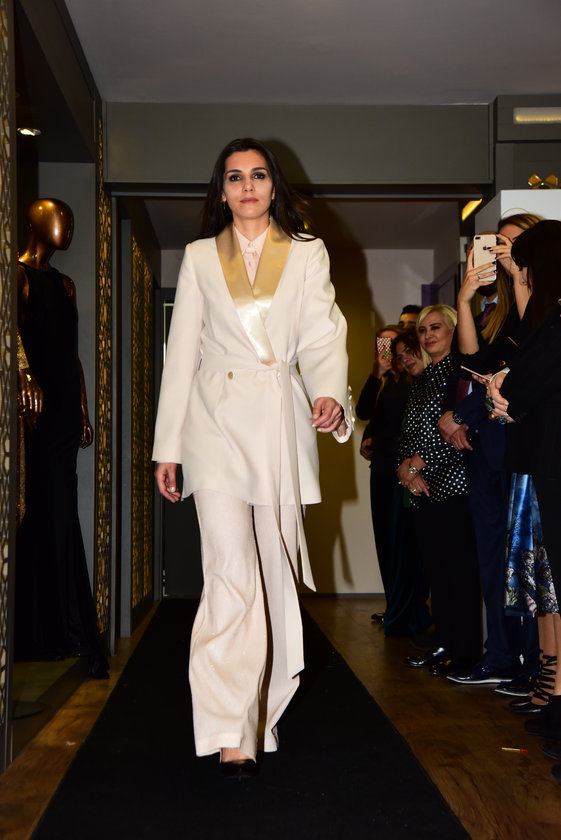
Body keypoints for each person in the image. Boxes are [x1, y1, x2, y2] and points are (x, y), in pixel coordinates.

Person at [152, 138, 352, 776]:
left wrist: (328, 394)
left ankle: (261, 710)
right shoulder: (199, 257)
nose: (247, 186)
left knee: (271, 572)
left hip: (277, 426)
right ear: (222, 190)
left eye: (258, 175)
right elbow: (182, 354)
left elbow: (323, 333)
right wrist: (167, 446)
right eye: (234, 177)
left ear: (273, 185)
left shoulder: (307, 252)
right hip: (214, 424)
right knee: (229, 571)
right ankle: (228, 728)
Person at [438, 214, 541, 687]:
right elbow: (471, 362)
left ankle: (533, 664)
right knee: (492, 559)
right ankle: (500, 655)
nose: (503, 252)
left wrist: (463, 416)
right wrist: (463, 298)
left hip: (517, 445)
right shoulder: (491, 306)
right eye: (499, 244)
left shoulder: (539, 305)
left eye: (514, 244)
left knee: (524, 559)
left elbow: (520, 365)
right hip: (485, 449)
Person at [15, 198, 108, 679]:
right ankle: (39, 632)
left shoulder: (66, 284)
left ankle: (66, 629)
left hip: (66, 414)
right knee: (37, 510)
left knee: (62, 513)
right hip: (35, 414)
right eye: (59, 219)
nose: (66, 227)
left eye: (70, 221)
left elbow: (72, 356)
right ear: (36, 222)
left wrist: (84, 411)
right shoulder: (17, 276)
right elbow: (9, 336)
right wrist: (24, 376)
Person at [488, 220, 561, 781]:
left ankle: (555, 694)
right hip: (544, 457)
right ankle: (553, 694)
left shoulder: (554, 317)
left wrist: (505, 394)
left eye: (526, 265)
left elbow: (527, 377)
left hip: (551, 457)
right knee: (549, 586)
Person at [399, 304, 481, 676]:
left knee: (459, 572)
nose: (428, 335)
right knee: (437, 572)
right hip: (423, 489)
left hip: (455, 484)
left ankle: (466, 652)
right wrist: (405, 468)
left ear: (452, 329)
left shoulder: (458, 373)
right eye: (423, 330)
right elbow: (408, 432)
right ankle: (445, 642)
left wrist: (416, 464)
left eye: (435, 327)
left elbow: (453, 432)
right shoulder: (422, 378)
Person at [356, 326, 430, 636]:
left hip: (407, 469)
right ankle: (395, 607)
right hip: (382, 468)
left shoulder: (416, 376)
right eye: (382, 343)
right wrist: (376, 373)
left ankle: (408, 611)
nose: (387, 350)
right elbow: (364, 412)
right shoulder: (383, 380)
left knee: (405, 543)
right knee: (385, 541)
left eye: (392, 342)